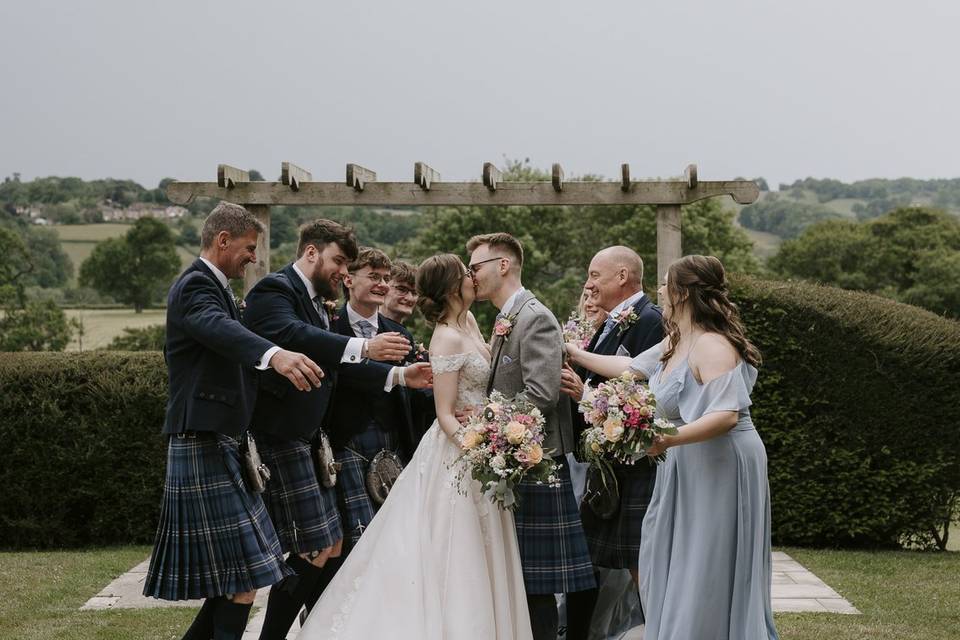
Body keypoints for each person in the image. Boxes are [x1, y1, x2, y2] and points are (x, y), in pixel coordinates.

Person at [298, 254, 532, 639]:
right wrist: (480, 449)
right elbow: (444, 413)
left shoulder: (471, 322)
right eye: (466, 273)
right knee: (453, 549)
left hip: (482, 445)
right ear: (453, 287)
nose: (474, 277)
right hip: (460, 452)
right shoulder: (445, 336)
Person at [566, 255, 779, 640]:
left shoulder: (712, 346)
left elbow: (727, 415)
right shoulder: (676, 341)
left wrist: (666, 439)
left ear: (681, 293)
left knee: (707, 555)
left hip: (720, 461)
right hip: (684, 458)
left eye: (665, 285)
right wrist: (573, 352)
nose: (659, 292)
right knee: (672, 549)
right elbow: (628, 370)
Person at [142, 202, 326, 640]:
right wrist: (274, 354)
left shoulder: (216, 287)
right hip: (202, 438)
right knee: (242, 583)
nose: (252, 257)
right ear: (223, 240)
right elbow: (216, 327)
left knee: (235, 582)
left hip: (219, 440)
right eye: (248, 248)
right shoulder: (195, 287)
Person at [241, 220, 433, 640]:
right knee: (316, 549)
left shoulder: (315, 303)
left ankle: (320, 627)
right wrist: (366, 349)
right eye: (340, 263)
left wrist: (401, 378)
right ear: (311, 252)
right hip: (290, 438)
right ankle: (281, 632)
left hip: (314, 441)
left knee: (327, 547)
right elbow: (294, 336)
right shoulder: (277, 291)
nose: (343, 273)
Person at [467, 232, 596, 640]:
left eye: (476, 267)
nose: (471, 276)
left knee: (534, 582)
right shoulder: (509, 316)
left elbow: (540, 393)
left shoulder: (534, 316)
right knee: (521, 579)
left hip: (538, 463)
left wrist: (486, 423)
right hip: (520, 459)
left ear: (502, 265)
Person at [562, 247, 664, 637]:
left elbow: (642, 394)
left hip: (633, 462)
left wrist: (582, 394)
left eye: (595, 275)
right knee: (588, 558)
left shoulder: (650, 321)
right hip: (607, 463)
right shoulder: (610, 322)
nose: (588, 284)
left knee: (640, 562)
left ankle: (660, 630)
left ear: (622, 276)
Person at [326, 247, 422, 552]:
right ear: (349, 280)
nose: (381, 284)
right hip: (345, 441)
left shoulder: (398, 332)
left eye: (385, 278)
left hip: (392, 441)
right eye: (373, 276)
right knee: (353, 541)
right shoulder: (331, 325)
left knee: (392, 535)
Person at [380, 259, 419, 324]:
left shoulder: (404, 333)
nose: (410, 298)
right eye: (401, 289)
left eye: (414, 293)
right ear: (384, 287)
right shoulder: (364, 328)